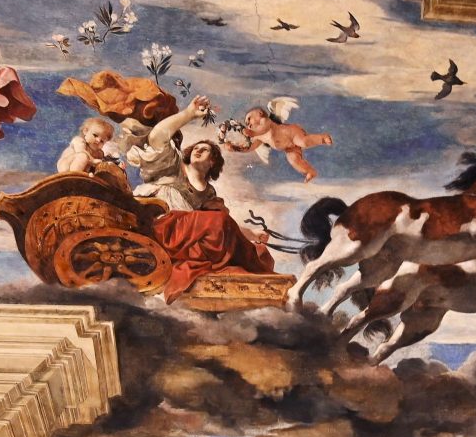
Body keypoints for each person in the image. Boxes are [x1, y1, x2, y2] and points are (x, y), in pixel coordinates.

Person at [128, 95, 275, 300]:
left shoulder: (209, 193)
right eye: (195, 148)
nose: (197, 150)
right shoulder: (174, 167)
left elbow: (222, 227)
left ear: (212, 161)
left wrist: (251, 234)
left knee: (257, 252)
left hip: (189, 241)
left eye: (204, 149)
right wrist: (189, 114)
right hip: (164, 230)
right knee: (220, 223)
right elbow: (157, 138)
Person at [222, 98, 333, 182]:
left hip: (293, 134)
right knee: (294, 161)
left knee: (303, 142)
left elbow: (263, 129)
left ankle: (322, 138)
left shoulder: (265, 122)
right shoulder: (258, 137)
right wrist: (235, 148)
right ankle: (310, 171)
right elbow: (250, 147)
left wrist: (252, 133)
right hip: (288, 147)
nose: (248, 124)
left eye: (249, 119)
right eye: (247, 124)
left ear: (260, 113)